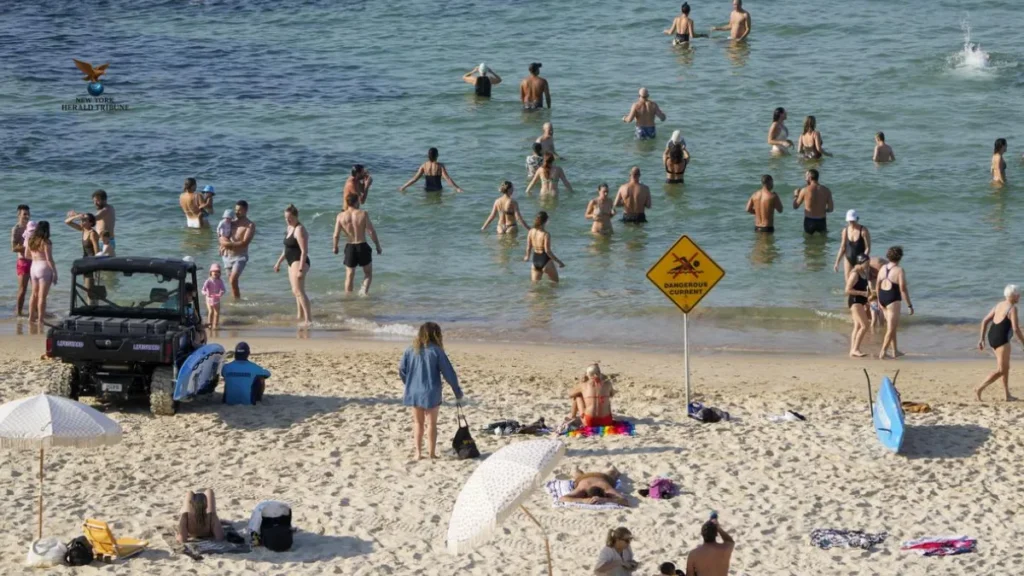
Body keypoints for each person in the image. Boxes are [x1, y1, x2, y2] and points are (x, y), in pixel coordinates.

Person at [398, 322, 464, 460]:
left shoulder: (410, 350)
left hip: (414, 391)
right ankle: (431, 453)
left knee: (417, 423)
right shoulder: (437, 351)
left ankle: (418, 453)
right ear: (437, 335)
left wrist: (408, 383)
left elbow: (402, 370)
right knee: (431, 423)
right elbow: (448, 373)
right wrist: (456, 390)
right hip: (432, 391)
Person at [976, 285, 1024, 401]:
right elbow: (1016, 329)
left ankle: (1007, 395)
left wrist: (982, 339)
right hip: (1001, 340)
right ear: (1012, 296)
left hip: (992, 337)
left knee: (1004, 367)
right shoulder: (1012, 309)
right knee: (1002, 370)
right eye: (1018, 294)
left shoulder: (999, 305)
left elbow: (985, 321)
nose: (1020, 296)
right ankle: (979, 388)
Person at [333, 194, 383, 295]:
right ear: (356, 202)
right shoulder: (363, 214)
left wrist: (335, 247)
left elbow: (335, 235)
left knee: (349, 275)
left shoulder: (340, 216)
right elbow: (371, 231)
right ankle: (363, 292)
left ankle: (348, 298)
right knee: (368, 273)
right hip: (362, 245)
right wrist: (377, 245)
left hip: (350, 247)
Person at [273, 205, 312, 326]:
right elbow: (286, 249)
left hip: (299, 260)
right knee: (295, 291)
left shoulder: (299, 229)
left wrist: (301, 269)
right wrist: (278, 262)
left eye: (290, 218)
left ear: (296, 216)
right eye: (286, 218)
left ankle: (308, 320)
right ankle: (299, 315)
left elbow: (304, 251)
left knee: (299, 291)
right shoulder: (289, 227)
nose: (288, 220)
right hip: (290, 260)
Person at [876, 246, 914, 359]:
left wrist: (878, 300)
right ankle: (883, 352)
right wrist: (909, 305)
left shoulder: (883, 268)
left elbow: (877, 284)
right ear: (900, 257)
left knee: (891, 326)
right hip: (893, 298)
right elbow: (903, 289)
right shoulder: (899, 270)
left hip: (882, 296)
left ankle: (895, 351)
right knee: (891, 328)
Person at [220, 200, 256, 300]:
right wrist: (222, 243)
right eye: (236, 210)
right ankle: (236, 302)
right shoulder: (231, 222)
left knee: (233, 279)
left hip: (240, 257)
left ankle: (237, 301)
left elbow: (245, 243)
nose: (237, 212)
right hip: (227, 256)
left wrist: (228, 245)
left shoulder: (250, 225)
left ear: (246, 210)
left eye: (239, 210)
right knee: (232, 283)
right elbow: (222, 233)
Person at [26, 221, 56, 324]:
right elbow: (49, 259)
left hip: (33, 268)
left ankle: (30, 318)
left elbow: (27, 255)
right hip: (44, 268)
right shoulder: (46, 242)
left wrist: (36, 257)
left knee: (33, 295)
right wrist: (55, 272)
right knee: (42, 296)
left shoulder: (31, 240)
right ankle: (40, 320)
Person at [399, 148, 463, 193]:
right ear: (437, 155)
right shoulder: (440, 166)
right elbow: (447, 179)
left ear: (428, 156)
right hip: (438, 190)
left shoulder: (424, 165)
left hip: (427, 189)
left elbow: (414, 179)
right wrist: (457, 188)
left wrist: (403, 187)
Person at [524, 212, 565, 283]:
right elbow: (547, 251)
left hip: (535, 261)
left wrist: (527, 257)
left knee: (535, 288)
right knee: (555, 284)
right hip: (545, 261)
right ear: (546, 221)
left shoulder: (531, 231)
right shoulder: (546, 234)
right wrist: (559, 262)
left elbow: (528, 247)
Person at [560, 464, 628, 506]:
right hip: (593, 478)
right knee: (611, 474)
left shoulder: (605, 488)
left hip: (599, 477)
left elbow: (625, 501)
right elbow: (624, 500)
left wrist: (605, 500)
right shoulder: (583, 488)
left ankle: (575, 468)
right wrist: (583, 500)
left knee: (577, 476)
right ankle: (574, 469)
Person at [845, 254, 872, 358]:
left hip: (861, 302)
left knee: (857, 326)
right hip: (855, 301)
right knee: (865, 325)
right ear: (861, 262)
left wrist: (867, 301)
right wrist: (863, 294)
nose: (868, 264)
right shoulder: (855, 274)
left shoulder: (863, 273)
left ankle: (853, 350)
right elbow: (847, 290)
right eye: (867, 263)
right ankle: (855, 349)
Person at [792, 169, 834, 235]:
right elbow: (831, 209)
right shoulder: (826, 190)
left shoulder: (805, 190)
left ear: (810, 177)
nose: (805, 179)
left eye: (806, 177)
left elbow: (795, 206)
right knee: (822, 243)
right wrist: (822, 209)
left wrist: (796, 195)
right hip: (821, 221)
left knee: (808, 243)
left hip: (809, 221)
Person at [833, 209, 871, 278]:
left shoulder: (863, 230)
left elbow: (868, 247)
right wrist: (837, 262)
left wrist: (862, 260)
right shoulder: (845, 230)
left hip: (860, 259)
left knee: (862, 280)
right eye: (850, 221)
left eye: (853, 221)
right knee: (848, 282)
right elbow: (842, 247)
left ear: (857, 219)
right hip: (848, 258)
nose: (851, 223)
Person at [11, 205, 30, 317]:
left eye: (28, 214)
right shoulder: (16, 229)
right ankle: (19, 313)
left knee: (36, 290)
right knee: (23, 289)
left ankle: (36, 311)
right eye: (24, 214)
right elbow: (13, 248)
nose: (27, 216)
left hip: (34, 261)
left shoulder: (31, 227)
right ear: (19, 215)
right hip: (23, 261)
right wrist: (26, 247)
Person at [202, 263, 226, 329]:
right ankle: (209, 325)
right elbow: (203, 290)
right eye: (214, 271)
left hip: (216, 298)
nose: (215, 273)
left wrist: (221, 293)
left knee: (217, 312)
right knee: (211, 312)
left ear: (220, 273)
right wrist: (206, 294)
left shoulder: (220, 281)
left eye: (218, 272)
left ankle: (216, 325)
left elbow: (223, 289)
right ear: (211, 272)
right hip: (209, 299)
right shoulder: (208, 281)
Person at [92, 190, 115, 255]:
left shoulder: (107, 209)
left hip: (107, 242)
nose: (95, 203)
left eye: (97, 201)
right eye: (94, 201)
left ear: (104, 200)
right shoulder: (102, 210)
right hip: (103, 241)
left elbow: (94, 218)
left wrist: (78, 215)